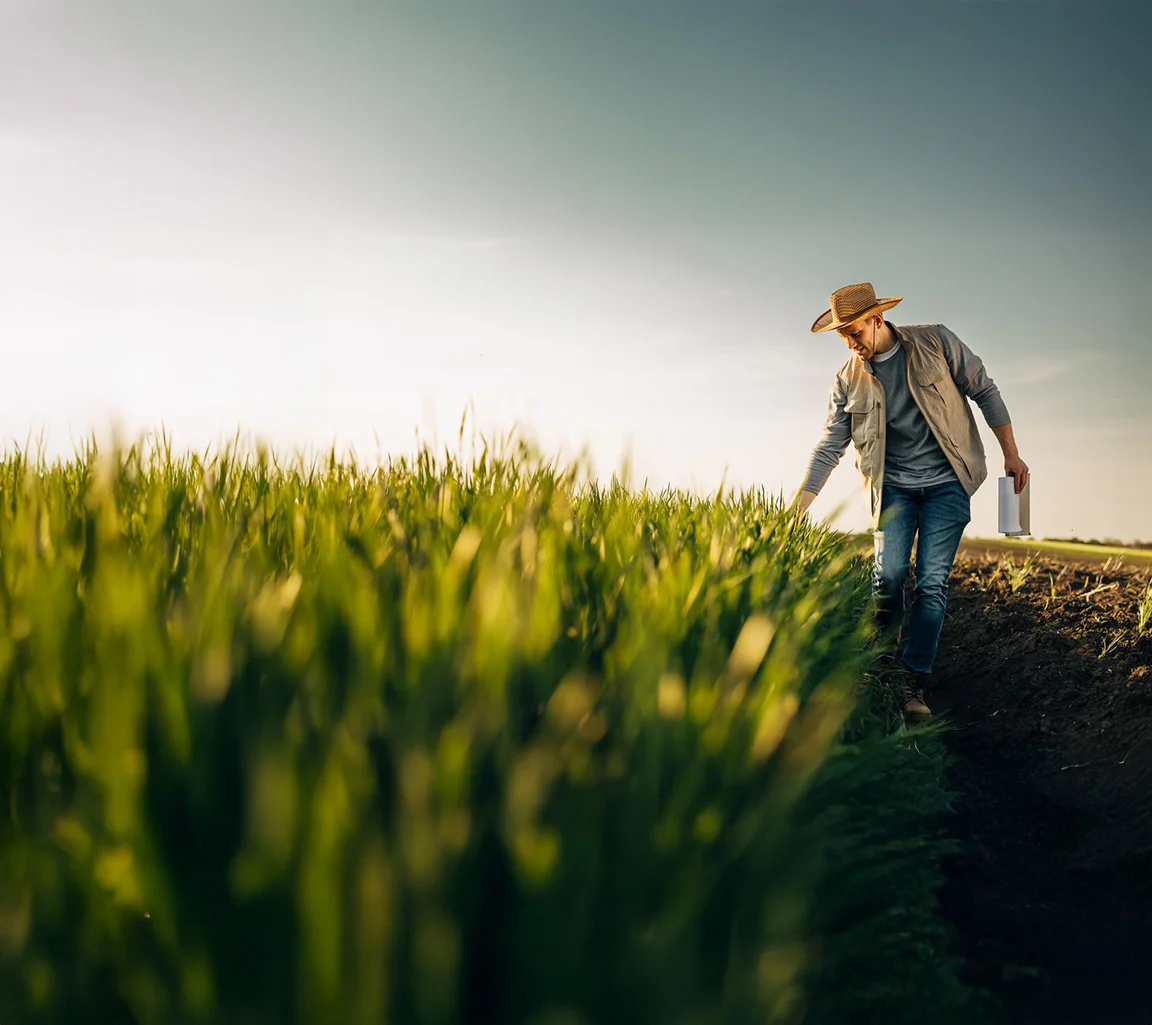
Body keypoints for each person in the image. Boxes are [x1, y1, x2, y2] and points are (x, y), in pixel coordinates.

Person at [793, 283, 1028, 717]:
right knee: (888, 578)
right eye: (842, 336)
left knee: (931, 583)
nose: (850, 343)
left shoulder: (936, 342)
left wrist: (1010, 454)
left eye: (854, 332)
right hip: (892, 490)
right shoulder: (847, 378)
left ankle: (912, 683)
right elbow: (830, 445)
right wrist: (799, 507)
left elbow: (984, 390)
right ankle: (882, 667)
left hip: (948, 483)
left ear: (877, 320)